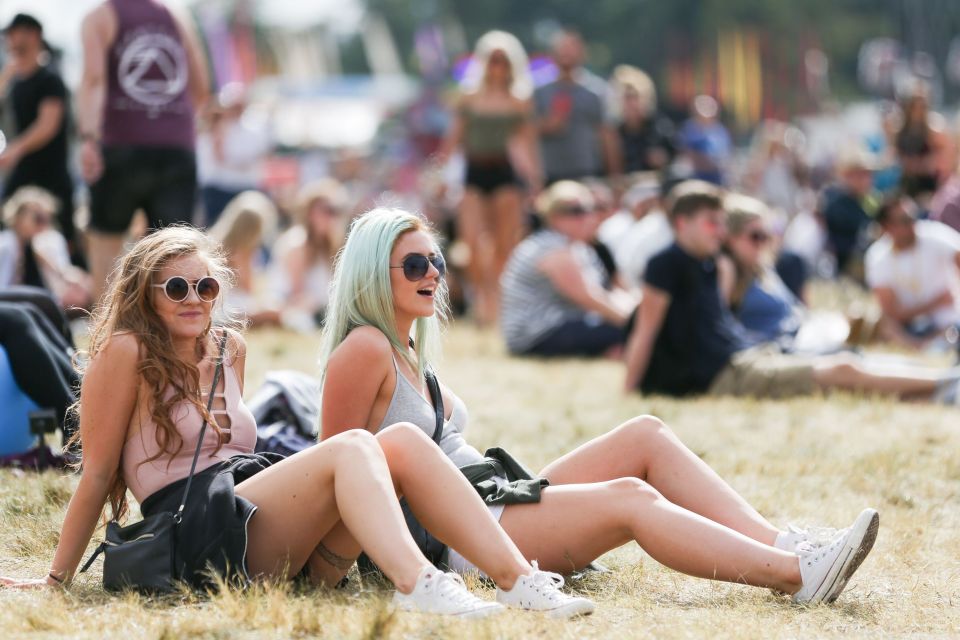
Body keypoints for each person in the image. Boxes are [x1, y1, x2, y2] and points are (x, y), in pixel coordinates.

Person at [0, 226, 593, 619]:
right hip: (193, 527)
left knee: (404, 441)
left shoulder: (228, 347)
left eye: (206, 286)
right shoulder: (126, 350)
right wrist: (57, 579)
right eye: (177, 287)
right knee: (354, 446)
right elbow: (98, 470)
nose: (195, 299)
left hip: (256, 510)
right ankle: (418, 584)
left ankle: (518, 579)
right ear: (145, 293)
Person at [318, 206, 880, 606]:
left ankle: (787, 544)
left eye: (435, 261)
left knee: (645, 432)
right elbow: (339, 476)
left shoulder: (406, 346)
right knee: (631, 500)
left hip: (490, 497)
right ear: (373, 273)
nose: (433, 274)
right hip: (458, 538)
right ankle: (793, 576)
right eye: (414, 266)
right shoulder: (365, 349)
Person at [623, 180, 960, 401]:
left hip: (746, 356)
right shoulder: (665, 264)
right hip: (721, 376)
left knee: (849, 366)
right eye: (712, 222)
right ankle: (946, 383)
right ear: (682, 223)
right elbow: (645, 330)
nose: (720, 232)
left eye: (722, 223)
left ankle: (940, 385)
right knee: (843, 370)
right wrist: (628, 391)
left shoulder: (708, 264)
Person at [77, 0, 211, 302]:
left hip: (121, 144)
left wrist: (88, 138)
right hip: (176, 148)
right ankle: (174, 341)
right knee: (173, 253)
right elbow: (201, 88)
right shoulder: (176, 14)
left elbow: (94, 80)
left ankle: (108, 335)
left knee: (106, 243)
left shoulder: (100, 17)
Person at [437, 30, 540, 325]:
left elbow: (525, 146)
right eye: (493, 59)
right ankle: (482, 297)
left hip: (505, 173)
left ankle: (497, 306)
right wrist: (440, 174)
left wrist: (534, 181)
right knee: (470, 242)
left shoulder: (520, 101)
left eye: (503, 60)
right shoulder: (468, 98)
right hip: (474, 172)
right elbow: (453, 139)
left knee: (504, 245)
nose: (497, 66)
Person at [500, 181, 636, 357]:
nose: (587, 217)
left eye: (590, 208)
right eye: (575, 211)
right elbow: (589, 298)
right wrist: (634, 322)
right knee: (627, 333)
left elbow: (605, 293)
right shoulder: (550, 248)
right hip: (535, 335)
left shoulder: (578, 248)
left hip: (560, 326)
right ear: (552, 216)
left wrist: (635, 308)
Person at [718, 193, 848, 353]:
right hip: (779, 348)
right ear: (730, 236)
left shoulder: (762, 268)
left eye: (766, 236)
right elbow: (720, 325)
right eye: (755, 236)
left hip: (801, 335)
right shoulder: (726, 269)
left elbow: (797, 308)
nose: (762, 243)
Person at [0, 14, 78, 264]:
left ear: (34, 35)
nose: (11, 41)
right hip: (22, 176)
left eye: (16, 33)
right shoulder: (14, 81)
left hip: (50, 176)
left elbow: (48, 125)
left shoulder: (49, 79)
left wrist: (15, 150)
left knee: (64, 244)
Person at [865, 194, 960, 350]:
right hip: (907, 325)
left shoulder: (934, 234)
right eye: (905, 220)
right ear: (887, 227)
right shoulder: (877, 257)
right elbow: (891, 312)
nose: (913, 224)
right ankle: (923, 347)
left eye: (914, 217)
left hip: (948, 319)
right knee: (885, 323)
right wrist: (935, 303)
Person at [534, 30, 620, 185]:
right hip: (549, 176)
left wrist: (614, 178)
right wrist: (548, 125)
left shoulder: (597, 91)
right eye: (562, 49)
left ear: (582, 53)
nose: (566, 53)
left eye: (571, 48)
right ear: (552, 54)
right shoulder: (539, 92)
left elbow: (607, 136)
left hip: (588, 174)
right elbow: (526, 132)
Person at [268, 178, 347, 328]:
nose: (331, 217)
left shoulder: (333, 245)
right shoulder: (297, 243)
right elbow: (296, 295)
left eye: (336, 211)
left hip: (317, 308)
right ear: (310, 212)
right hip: (290, 306)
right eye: (326, 210)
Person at [0, 186, 91, 310]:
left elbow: (62, 278)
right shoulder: (7, 244)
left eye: (46, 219)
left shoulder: (42, 243)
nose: (43, 225)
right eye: (38, 218)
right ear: (19, 217)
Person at [197, 83, 272, 225]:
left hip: (245, 187)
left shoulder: (254, 128)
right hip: (218, 189)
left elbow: (258, 155)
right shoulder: (214, 129)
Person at [207, 190, 280, 327]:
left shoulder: (212, 241)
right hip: (228, 303)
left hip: (223, 302)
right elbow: (249, 288)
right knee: (271, 311)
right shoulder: (244, 252)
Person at [819, 147, 877, 279]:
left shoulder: (865, 200)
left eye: (869, 175)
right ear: (848, 176)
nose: (868, 179)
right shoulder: (836, 202)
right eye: (862, 174)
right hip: (843, 267)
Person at [610, 65, 675, 174]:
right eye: (627, 97)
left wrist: (664, 158)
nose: (632, 103)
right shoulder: (613, 132)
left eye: (635, 97)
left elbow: (675, 157)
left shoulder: (660, 128)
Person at [678, 95, 731, 186]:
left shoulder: (720, 130)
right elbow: (688, 154)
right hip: (696, 177)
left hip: (717, 178)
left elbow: (726, 155)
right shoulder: (689, 129)